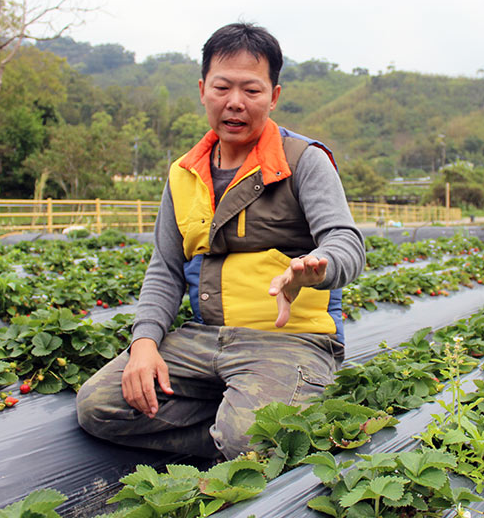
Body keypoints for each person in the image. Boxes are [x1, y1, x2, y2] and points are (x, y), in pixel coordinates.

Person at [76, 23, 365, 461]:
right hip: (203, 338)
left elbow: (346, 241)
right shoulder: (184, 172)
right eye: (222, 86)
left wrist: (318, 265)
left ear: (274, 95)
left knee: (248, 441)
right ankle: (233, 429)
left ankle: (250, 430)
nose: (235, 101)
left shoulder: (304, 160)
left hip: (289, 340)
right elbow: (165, 269)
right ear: (202, 89)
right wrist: (145, 343)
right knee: (100, 406)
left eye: (251, 89)